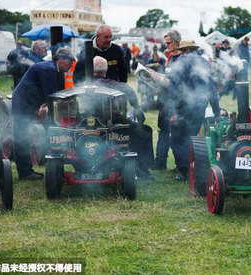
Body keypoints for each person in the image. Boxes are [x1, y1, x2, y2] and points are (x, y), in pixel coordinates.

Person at [11, 47, 76, 180]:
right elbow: (51, 97)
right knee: (22, 136)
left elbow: (61, 95)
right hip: (23, 102)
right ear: (61, 59)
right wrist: (56, 121)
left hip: (31, 102)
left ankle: (51, 164)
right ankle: (25, 173)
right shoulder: (48, 69)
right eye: (70, 61)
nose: (71, 65)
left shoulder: (57, 71)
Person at [92, 56, 154, 180]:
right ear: (107, 69)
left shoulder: (86, 84)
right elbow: (128, 90)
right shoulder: (111, 84)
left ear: (92, 71)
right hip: (110, 124)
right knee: (144, 131)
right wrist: (137, 109)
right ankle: (142, 170)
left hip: (90, 124)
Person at [168, 39, 220, 181]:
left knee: (177, 141)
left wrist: (173, 112)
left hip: (182, 108)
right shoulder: (203, 62)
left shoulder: (179, 62)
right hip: (199, 107)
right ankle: (193, 169)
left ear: (183, 50)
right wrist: (216, 109)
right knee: (190, 138)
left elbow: (173, 88)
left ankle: (184, 172)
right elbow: (210, 87)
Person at [153, 30, 183, 171]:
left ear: (177, 43)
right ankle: (160, 163)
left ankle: (180, 166)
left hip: (174, 103)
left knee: (176, 135)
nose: (167, 45)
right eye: (166, 43)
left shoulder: (182, 59)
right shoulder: (171, 58)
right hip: (165, 101)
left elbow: (177, 84)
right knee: (163, 131)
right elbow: (168, 78)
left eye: (169, 43)